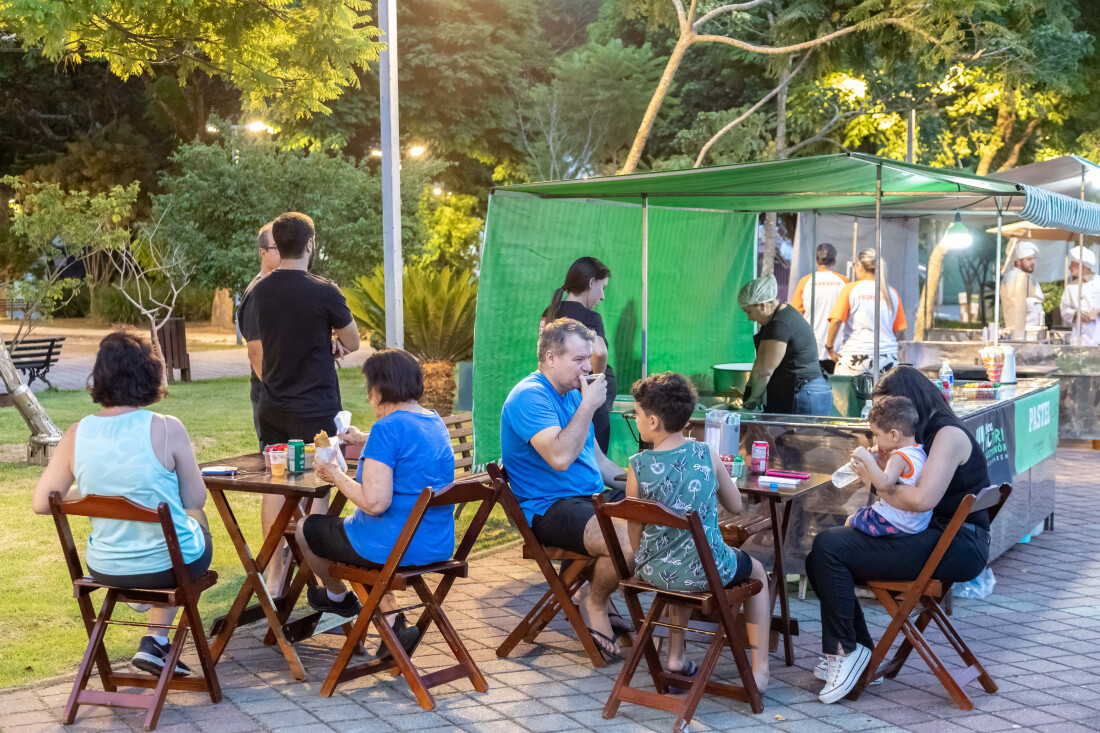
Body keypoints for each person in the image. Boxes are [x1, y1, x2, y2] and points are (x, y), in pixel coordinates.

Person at [805, 365, 991, 704]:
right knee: (820, 553)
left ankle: (848, 653)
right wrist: (883, 471)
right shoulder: (922, 436)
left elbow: (921, 501)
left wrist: (876, 480)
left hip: (957, 543)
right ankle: (856, 652)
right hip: (943, 536)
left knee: (828, 547)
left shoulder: (946, 435)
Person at [32, 331, 211, 678]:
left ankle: (151, 630)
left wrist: (96, 497)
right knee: (194, 521)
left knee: (168, 533)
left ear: (100, 377)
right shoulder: (166, 428)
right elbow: (195, 498)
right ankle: (156, 637)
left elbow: (43, 502)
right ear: (150, 375)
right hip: (166, 565)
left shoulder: (75, 434)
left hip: (106, 566)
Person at [296, 349, 454, 656]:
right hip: (434, 544)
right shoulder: (433, 422)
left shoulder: (387, 428)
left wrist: (334, 474)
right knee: (354, 540)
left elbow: (375, 502)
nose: (369, 396)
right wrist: (362, 438)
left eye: (369, 388)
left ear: (380, 389)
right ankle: (394, 625)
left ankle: (338, 597)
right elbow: (406, 444)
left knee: (307, 528)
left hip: (391, 546)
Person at [626, 372, 770, 692]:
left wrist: (640, 559)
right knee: (758, 571)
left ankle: (677, 656)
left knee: (676, 557)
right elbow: (734, 506)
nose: (635, 421)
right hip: (705, 571)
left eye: (636, 415)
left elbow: (634, 523)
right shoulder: (706, 454)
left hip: (654, 571)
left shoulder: (638, 466)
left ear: (653, 422)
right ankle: (760, 669)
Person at [500, 317, 630, 661]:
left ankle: (595, 589)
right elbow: (559, 457)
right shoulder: (530, 396)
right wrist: (589, 405)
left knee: (663, 516)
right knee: (627, 542)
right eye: (578, 360)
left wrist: (643, 483)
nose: (588, 367)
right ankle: (595, 601)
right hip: (550, 507)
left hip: (589, 499)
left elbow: (599, 464)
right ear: (550, 357)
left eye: (588, 359)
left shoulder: (572, 393)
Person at [541, 257, 616, 453]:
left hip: (562, 399)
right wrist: (594, 385)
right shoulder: (590, 317)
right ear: (591, 282)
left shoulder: (549, 312)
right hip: (588, 402)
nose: (602, 297)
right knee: (592, 459)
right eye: (603, 288)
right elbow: (599, 352)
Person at [738, 273, 832, 415]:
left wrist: (753, 400)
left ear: (763, 305)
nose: (749, 318)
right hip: (806, 390)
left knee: (796, 437)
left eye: (749, 311)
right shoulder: (777, 319)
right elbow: (760, 363)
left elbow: (765, 371)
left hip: (804, 393)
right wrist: (749, 392)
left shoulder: (779, 324)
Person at [844, 396, 929, 537]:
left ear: (894, 435)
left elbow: (884, 485)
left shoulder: (899, 456)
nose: (875, 440)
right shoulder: (919, 451)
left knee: (850, 519)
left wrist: (867, 459)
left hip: (894, 522)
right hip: (916, 524)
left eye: (876, 434)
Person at [826, 248, 906, 377]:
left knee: (843, 397)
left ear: (860, 267)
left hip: (854, 357)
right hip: (888, 359)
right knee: (884, 397)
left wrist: (829, 347)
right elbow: (899, 331)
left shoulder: (851, 289)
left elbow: (836, 321)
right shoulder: (891, 293)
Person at [238, 221, 282, 452]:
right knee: (276, 463)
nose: (285, 251)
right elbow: (256, 355)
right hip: (271, 393)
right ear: (263, 253)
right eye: (278, 247)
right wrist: (280, 391)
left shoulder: (277, 288)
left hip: (283, 391)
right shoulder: (258, 292)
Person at [790, 243, 849, 373]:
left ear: (816, 261)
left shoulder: (806, 281)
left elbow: (795, 315)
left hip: (810, 347)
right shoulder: (844, 281)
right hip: (837, 350)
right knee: (836, 390)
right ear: (834, 260)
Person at [1060, 245, 1100, 347]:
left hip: (1097, 338)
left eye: (1072, 264)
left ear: (1082, 266)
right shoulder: (1071, 287)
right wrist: (1077, 314)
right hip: (1077, 339)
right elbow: (1064, 310)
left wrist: (1097, 311)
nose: (1069, 267)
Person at [1001, 241, 1044, 333]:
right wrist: (1032, 301)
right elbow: (1015, 302)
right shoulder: (1011, 277)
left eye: (1033, 259)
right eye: (1028, 259)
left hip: (1034, 330)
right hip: (1019, 331)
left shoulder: (1031, 278)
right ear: (1018, 261)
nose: (1032, 262)